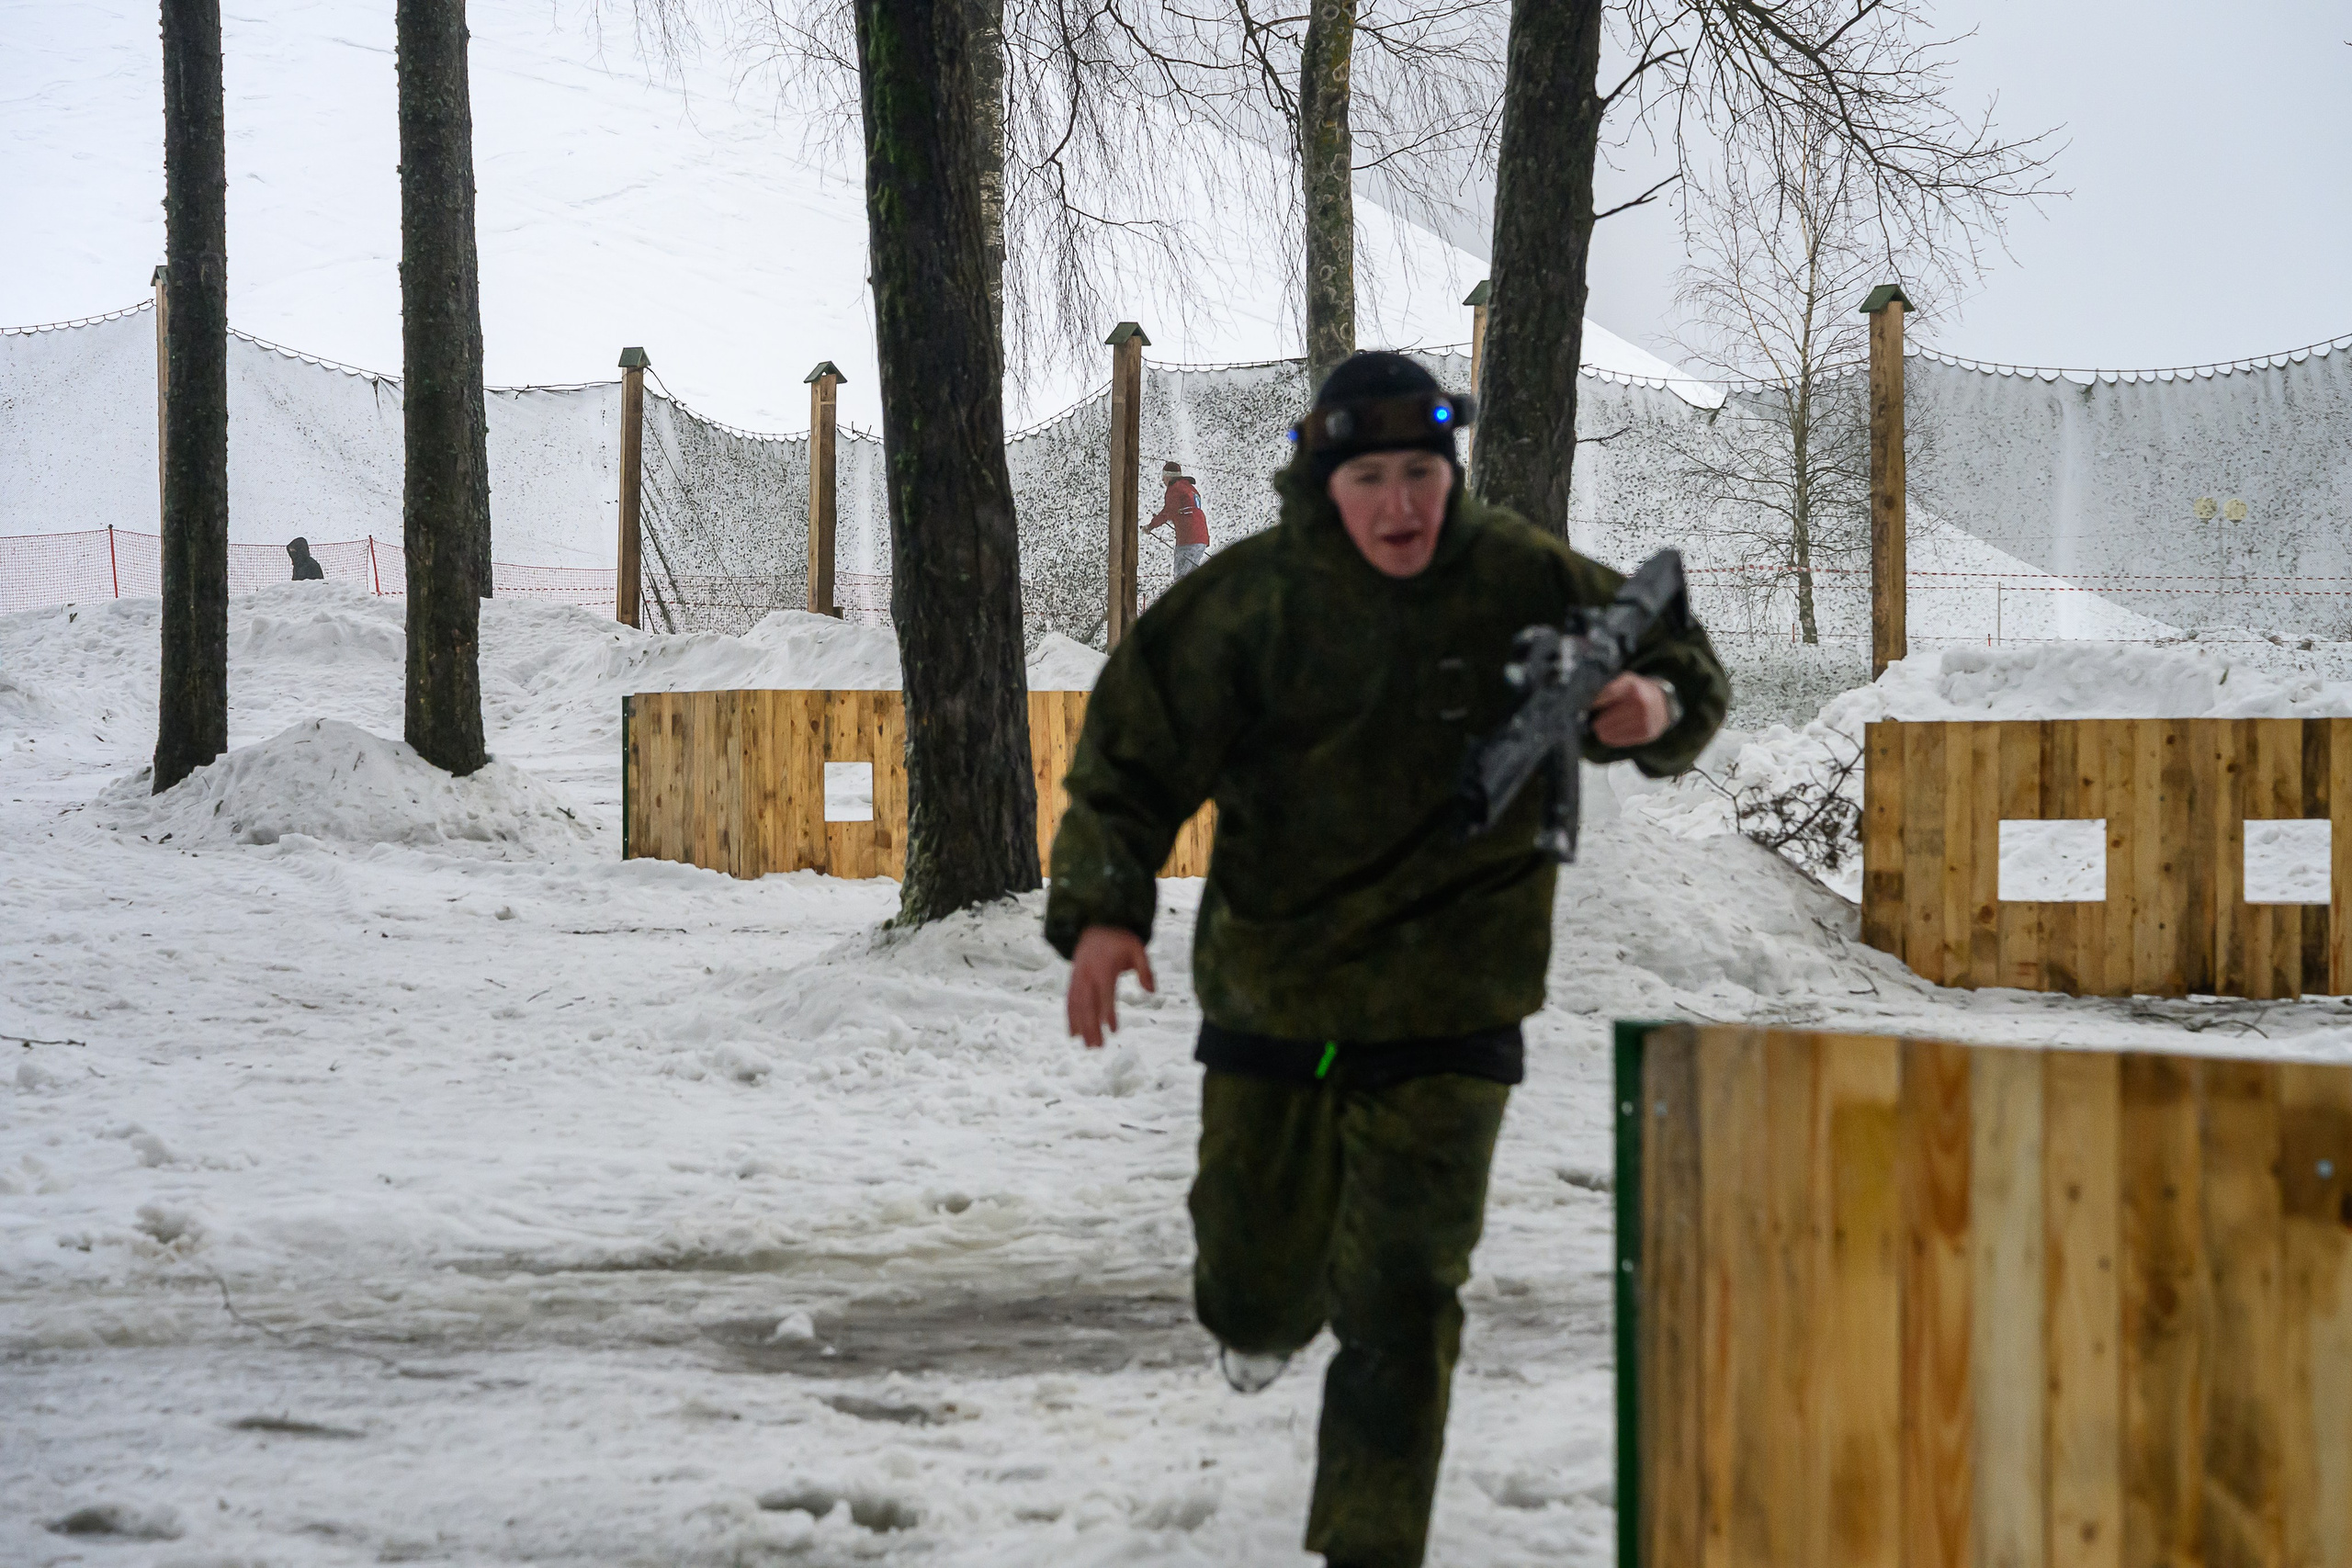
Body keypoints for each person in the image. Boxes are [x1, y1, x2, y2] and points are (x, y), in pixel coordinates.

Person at [1045, 351, 1727, 1568]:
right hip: (1278, 993)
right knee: (1252, 1286)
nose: (1402, 504)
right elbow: (1131, 754)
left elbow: (1683, 653)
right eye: (1372, 476)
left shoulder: (1521, 574)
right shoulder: (1251, 601)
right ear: (1327, 476)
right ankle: (1260, 1313)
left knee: (1405, 1299)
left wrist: (1653, 709)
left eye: (1422, 472)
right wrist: (1106, 909)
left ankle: (1369, 1546)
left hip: (1454, 1004)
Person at [1145, 459, 1211, 579]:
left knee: (1182, 578)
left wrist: (1151, 526)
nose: (1162, 480)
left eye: (1164, 476)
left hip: (1188, 539)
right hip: (1201, 538)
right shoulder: (1190, 488)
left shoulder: (1175, 489)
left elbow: (1167, 512)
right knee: (1191, 576)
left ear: (1169, 476)